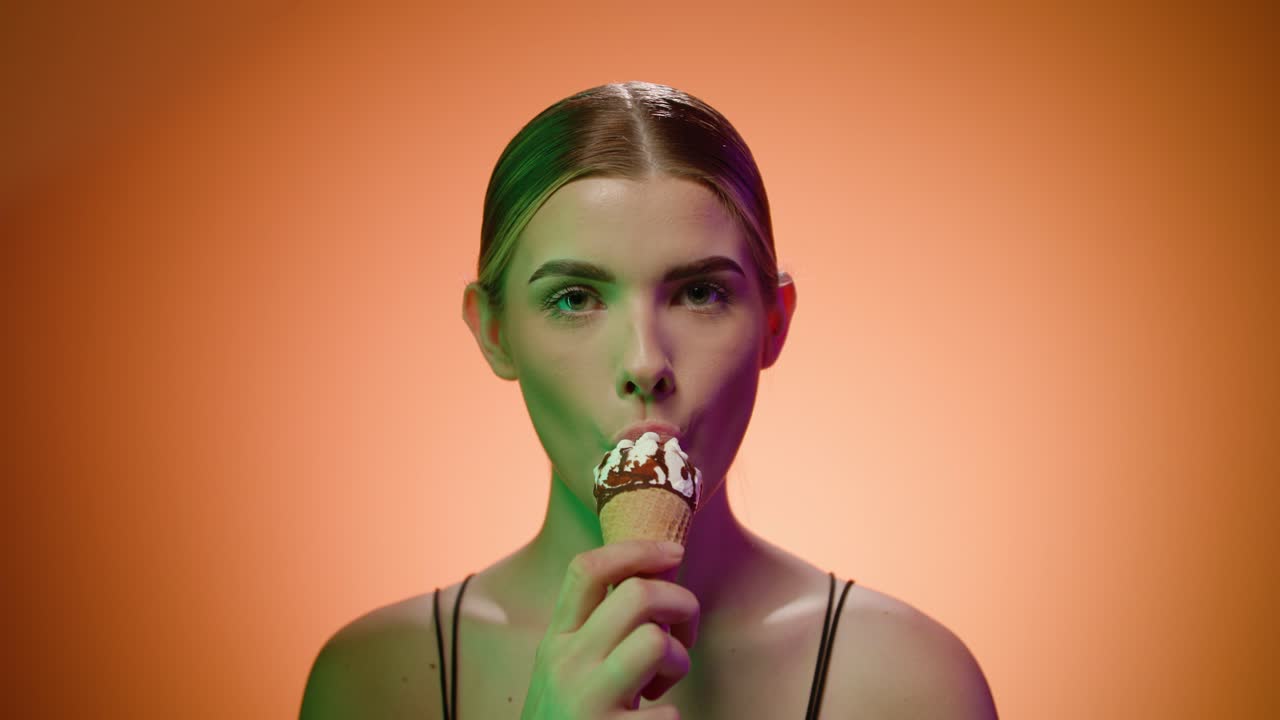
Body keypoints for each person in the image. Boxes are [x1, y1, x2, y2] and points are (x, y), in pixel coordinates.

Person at [301, 81, 997, 719]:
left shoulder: (913, 684)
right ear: (494, 331)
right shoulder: (371, 682)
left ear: (774, 322)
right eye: (574, 298)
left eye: (700, 293)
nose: (644, 363)